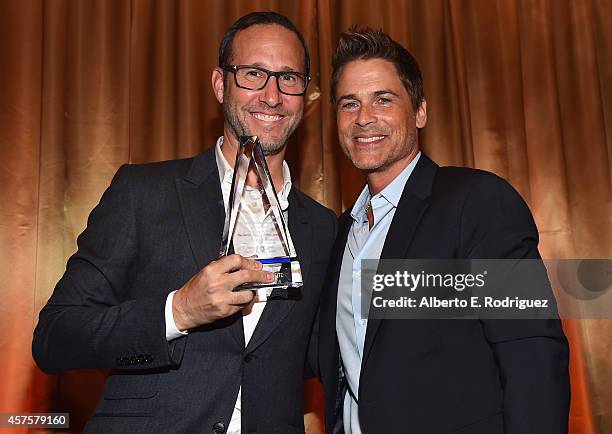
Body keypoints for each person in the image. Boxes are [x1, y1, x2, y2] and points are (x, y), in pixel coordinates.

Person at [32, 11, 336, 434]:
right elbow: (55, 338)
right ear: (219, 84)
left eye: (289, 78)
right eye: (252, 74)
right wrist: (177, 312)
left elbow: (328, 353)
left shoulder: (324, 229)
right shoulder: (144, 192)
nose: (272, 95)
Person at [318, 27, 570, 434]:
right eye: (350, 104)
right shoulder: (341, 232)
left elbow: (532, 353)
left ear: (419, 111)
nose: (364, 118)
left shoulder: (478, 201)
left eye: (383, 99)